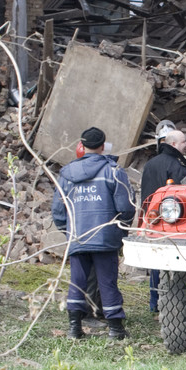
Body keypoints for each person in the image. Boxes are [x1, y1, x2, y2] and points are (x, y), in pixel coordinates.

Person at [52, 127, 136, 340]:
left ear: (82, 145)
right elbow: (126, 207)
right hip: (105, 238)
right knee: (107, 282)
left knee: (77, 281)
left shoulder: (66, 174)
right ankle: (115, 330)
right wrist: (119, 230)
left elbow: (58, 211)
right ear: (102, 146)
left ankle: (74, 329)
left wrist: (69, 231)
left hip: (78, 236)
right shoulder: (113, 171)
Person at [140, 124, 186, 312]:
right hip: (175, 223)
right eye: (184, 141)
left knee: (155, 263)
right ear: (174, 144)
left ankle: (154, 302)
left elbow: (145, 194)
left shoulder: (150, 164)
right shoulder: (179, 165)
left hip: (153, 220)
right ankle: (177, 302)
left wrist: (147, 215)